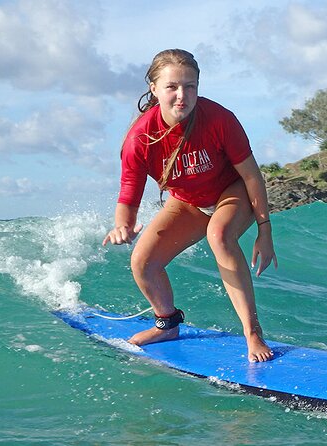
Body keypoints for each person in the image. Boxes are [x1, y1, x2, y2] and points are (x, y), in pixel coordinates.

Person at [102, 49, 277, 363]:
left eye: (190, 86)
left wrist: (265, 229)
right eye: (172, 87)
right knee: (143, 260)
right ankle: (167, 324)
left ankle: (253, 333)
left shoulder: (219, 119)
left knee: (219, 235)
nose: (182, 95)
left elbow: (251, 176)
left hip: (230, 192)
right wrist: (123, 227)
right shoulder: (140, 139)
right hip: (187, 202)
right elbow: (128, 195)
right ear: (154, 89)